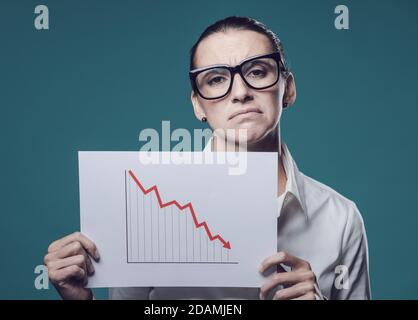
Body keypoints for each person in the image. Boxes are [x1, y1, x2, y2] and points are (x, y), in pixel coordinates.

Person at [44, 16, 371, 300]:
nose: (240, 92)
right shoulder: (147, 207)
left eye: (257, 72)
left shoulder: (341, 219)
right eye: (216, 79)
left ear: (287, 88)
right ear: (198, 105)